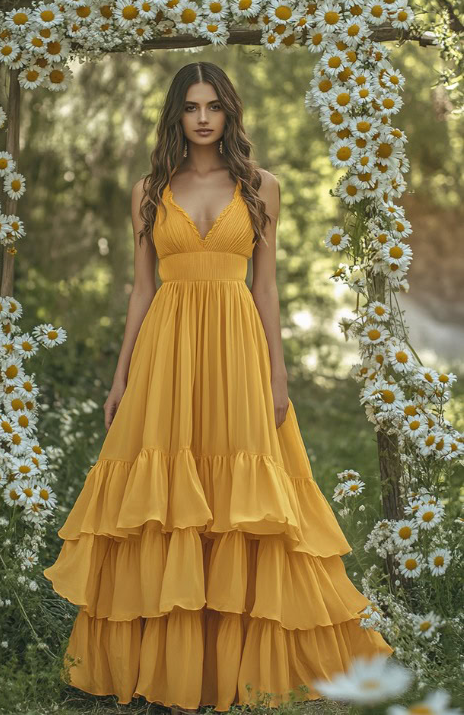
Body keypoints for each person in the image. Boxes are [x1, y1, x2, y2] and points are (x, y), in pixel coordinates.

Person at [43, 61, 394, 713]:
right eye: (191, 107)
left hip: (237, 350)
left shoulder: (262, 187)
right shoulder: (150, 188)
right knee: (166, 504)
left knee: (243, 504)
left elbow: (265, 289)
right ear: (177, 115)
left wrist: (278, 371)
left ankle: (242, 670)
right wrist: (120, 377)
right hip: (166, 353)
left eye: (214, 106)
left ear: (229, 113)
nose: (203, 117)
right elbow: (141, 289)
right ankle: (170, 674)